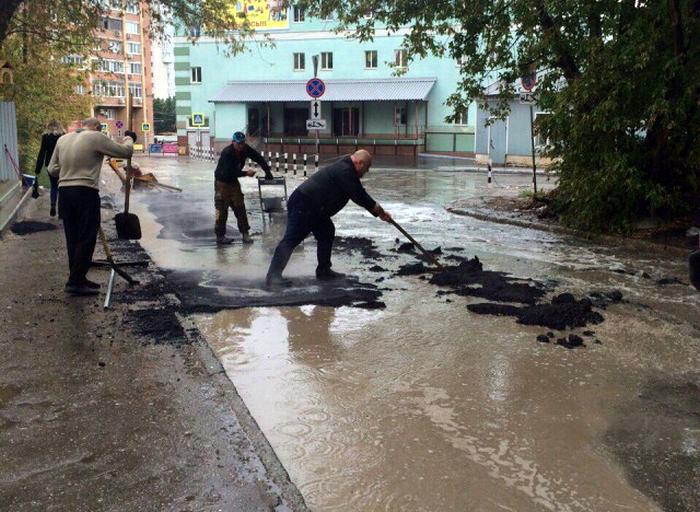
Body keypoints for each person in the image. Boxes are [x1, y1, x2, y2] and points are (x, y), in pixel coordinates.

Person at [265, 149, 391, 287]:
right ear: (359, 162)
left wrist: (379, 212)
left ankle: (324, 270)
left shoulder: (346, 168)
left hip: (316, 208)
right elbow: (359, 195)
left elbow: (358, 193)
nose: (365, 172)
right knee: (292, 240)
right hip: (304, 204)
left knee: (327, 231)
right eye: (366, 168)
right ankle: (273, 277)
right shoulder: (345, 171)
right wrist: (379, 210)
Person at [48, 118, 135, 296]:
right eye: (100, 127)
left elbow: (52, 169)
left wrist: (69, 170)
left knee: (72, 237)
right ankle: (75, 281)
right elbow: (126, 152)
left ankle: (78, 278)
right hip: (85, 191)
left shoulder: (63, 139)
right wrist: (129, 137)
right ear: (96, 127)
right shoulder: (96, 137)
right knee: (87, 236)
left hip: (64, 193)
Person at [214, 131, 273, 245]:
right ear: (233, 142)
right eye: (239, 144)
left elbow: (258, 157)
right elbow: (228, 172)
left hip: (234, 182)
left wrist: (267, 172)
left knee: (240, 208)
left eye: (243, 143)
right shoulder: (227, 153)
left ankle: (245, 234)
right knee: (222, 210)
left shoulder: (245, 149)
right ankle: (220, 237)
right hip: (222, 183)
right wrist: (246, 173)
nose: (241, 146)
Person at [34, 120, 65, 216]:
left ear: (49, 126)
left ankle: (52, 205)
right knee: (62, 187)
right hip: (62, 164)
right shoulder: (63, 136)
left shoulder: (46, 136)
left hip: (50, 165)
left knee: (54, 186)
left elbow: (42, 152)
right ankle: (61, 211)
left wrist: (38, 168)